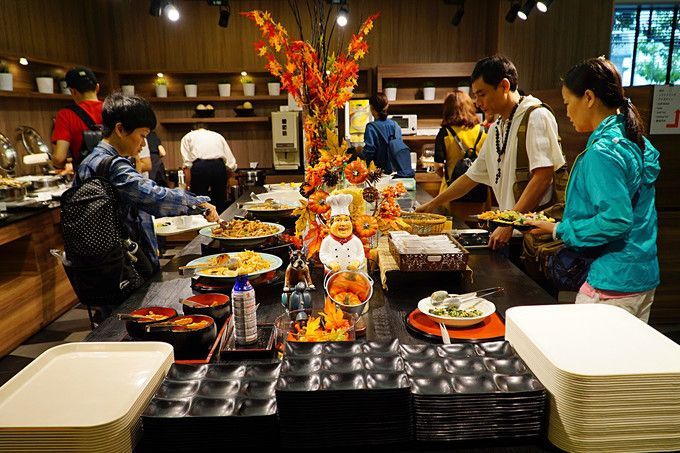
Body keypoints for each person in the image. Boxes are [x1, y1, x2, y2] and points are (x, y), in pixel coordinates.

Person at [526, 57, 659, 323]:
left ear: (588, 97)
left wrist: (558, 229)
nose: (566, 112)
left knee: (590, 361)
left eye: (567, 103)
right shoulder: (634, 140)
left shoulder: (603, 152)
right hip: (641, 276)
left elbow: (616, 219)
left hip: (612, 283)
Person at [417, 55, 566, 250]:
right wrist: (432, 204)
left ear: (504, 86)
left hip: (533, 236)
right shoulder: (497, 127)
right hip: (509, 232)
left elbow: (543, 177)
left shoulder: (535, 115)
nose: (477, 102)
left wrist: (509, 222)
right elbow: (471, 177)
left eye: (482, 94)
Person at [76, 93, 219, 271]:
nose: (144, 144)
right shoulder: (112, 165)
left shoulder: (90, 161)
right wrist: (198, 203)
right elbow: (152, 196)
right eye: (142, 135)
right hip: (120, 264)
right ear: (120, 130)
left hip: (100, 262)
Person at [433, 90, 488, 215]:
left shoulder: (445, 133)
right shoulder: (483, 130)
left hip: (451, 193)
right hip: (479, 190)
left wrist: (448, 177)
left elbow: (438, 166)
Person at [51, 66, 103, 170]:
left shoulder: (66, 114)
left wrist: (58, 163)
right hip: (116, 178)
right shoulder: (113, 108)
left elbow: (59, 158)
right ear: (97, 87)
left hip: (88, 181)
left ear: (72, 91)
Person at [180, 124, 237, 212]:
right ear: (207, 129)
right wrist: (229, 179)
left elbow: (187, 163)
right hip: (219, 166)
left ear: (192, 130)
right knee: (220, 200)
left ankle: (201, 221)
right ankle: (221, 222)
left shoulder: (188, 136)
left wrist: (188, 184)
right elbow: (230, 162)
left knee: (199, 200)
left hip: (200, 167)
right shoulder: (217, 135)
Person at [360, 93, 415, 178]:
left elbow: (369, 151)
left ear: (372, 108)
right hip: (396, 172)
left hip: (378, 174)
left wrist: (360, 160)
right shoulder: (395, 125)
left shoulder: (371, 127)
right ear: (387, 106)